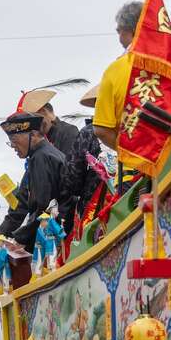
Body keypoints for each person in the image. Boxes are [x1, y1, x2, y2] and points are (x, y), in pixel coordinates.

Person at [0, 112, 66, 252]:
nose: (13, 146)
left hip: (56, 234)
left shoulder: (41, 158)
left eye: (15, 140)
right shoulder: (42, 155)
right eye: (10, 142)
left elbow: (43, 206)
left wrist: (20, 239)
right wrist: (1, 234)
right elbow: (21, 202)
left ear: (33, 135)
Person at [93, 0, 143, 152]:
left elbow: (101, 130)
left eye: (119, 31)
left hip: (134, 170)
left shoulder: (115, 70)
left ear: (131, 30)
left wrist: (128, 153)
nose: (119, 37)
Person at [60, 84, 105, 237]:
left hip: (96, 207)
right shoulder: (136, 125)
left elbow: (72, 179)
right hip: (138, 197)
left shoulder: (89, 133)